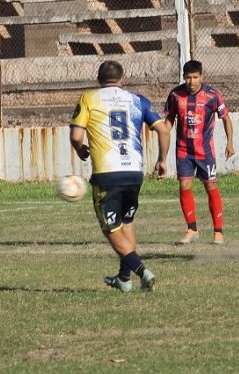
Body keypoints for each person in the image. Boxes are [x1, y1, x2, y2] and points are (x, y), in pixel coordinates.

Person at [70, 60, 170, 292]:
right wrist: (162, 160)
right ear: (123, 79)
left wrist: (80, 149)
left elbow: (76, 135)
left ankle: (142, 271)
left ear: (98, 80)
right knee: (126, 223)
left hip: (108, 173)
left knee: (111, 229)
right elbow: (163, 129)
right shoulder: (137, 100)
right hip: (134, 172)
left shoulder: (89, 98)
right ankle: (124, 280)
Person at [163, 60, 235, 245]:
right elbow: (169, 120)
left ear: (202, 76)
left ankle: (218, 232)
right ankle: (191, 229)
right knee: (184, 187)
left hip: (205, 153)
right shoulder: (175, 95)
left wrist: (230, 143)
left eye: (195, 77)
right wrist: (163, 137)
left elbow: (226, 118)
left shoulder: (212, 95)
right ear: (183, 77)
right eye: (188, 77)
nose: (191, 81)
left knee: (211, 188)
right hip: (183, 151)